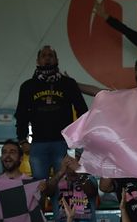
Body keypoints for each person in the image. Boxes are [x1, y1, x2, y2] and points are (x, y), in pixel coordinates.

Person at [15, 46, 88, 180]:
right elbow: (21, 115)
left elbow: (82, 111)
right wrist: (22, 140)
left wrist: (78, 140)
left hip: (64, 143)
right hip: (38, 143)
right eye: (43, 56)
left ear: (56, 60)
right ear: (38, 61)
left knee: (64, 185)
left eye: (50, 55)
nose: (47, 58)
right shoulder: (28, 86)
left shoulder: (68, 83)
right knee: (39, 186)